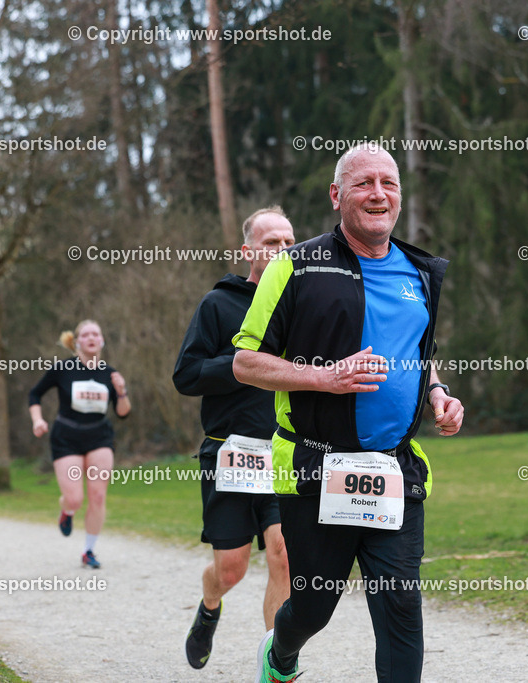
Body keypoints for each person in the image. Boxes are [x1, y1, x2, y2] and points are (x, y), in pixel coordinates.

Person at [233, 144, 464, 682]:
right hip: (317, 470)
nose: (378, 194)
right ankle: (281, 653)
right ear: (337, 196)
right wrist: (323, 377)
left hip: (393, 470)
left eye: (389, 183)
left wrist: (438, 395)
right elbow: (245, 362)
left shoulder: (421, 274)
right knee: (313, 609)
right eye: (363, 183)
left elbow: (420, 357)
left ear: (399, 196)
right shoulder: (294, 267)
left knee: (402, 609)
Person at [174, 206, 294, 669]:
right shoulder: (218, 305)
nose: (282, 250)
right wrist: (244, 365)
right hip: (231, 453)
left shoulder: (299, 306)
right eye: (271, 243)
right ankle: (208, 608)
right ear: (249, 251)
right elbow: (186, 375)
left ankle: (277, 662)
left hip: (284, 451)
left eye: (288, 242)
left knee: (283, 552)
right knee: (232, 568)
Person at [28, 320, 131, 568]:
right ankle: (68, 511)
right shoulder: (63, 369)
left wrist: (122, 391)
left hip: (99, 438)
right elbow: (35, 394)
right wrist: (37, 420)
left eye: (96, 333)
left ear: (102, 341)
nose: (92, 337)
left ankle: (89, 550)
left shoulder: (110, 373)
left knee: (97, 496)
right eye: (86, 334)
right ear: (77, 342)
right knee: (74, 498)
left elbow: (123, 413)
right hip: (67, 437)